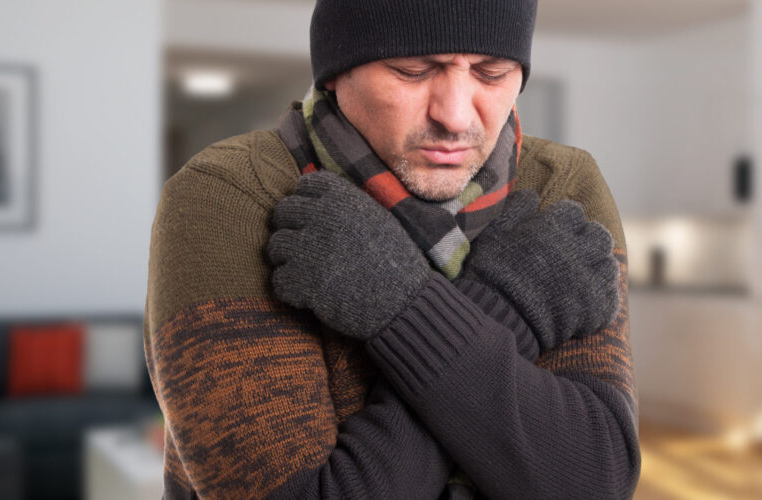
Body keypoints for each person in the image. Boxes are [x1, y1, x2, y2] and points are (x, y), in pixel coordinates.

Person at [143, 0, 640, 498]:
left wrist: (403, 307)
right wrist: (515, 308)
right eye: (413, 70)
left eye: (491, 73)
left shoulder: (565, 184)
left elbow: (596, 481)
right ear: (336, 72)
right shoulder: (228, 192)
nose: (455, 116)